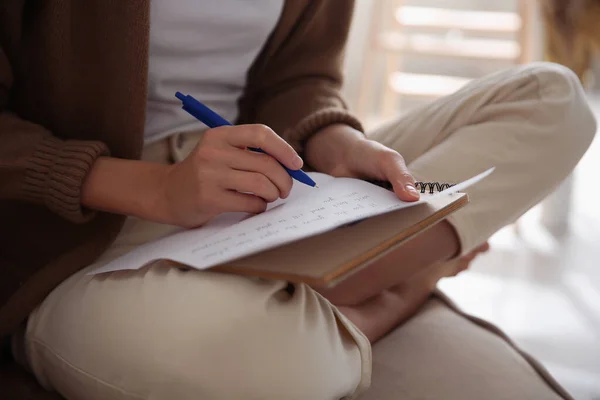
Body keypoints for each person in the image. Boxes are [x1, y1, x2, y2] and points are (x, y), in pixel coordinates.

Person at [0, 1, 596, 399]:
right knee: (259, 364)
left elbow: (299, 77)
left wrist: (334, 140)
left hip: (275, 181)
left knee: (551, 99)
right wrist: (157, 188)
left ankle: (307, 291)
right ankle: (395, 288)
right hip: (78, 227)